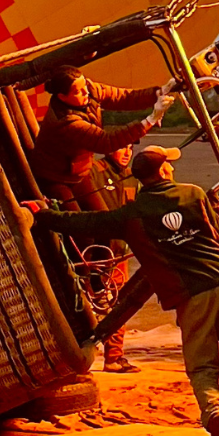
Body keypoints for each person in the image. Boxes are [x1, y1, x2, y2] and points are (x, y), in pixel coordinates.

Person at [29, 146, 219, 436]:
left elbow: (84, 222)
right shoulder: (194, 194)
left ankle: (214, 413)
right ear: (165, 171)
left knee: (202, 367)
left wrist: (41, 214)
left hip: (190, 295)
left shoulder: (132, 215)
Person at [30, 65, 173, 212]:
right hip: (55, 176)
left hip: (80, 172)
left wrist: (159, 92)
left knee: (101, 217)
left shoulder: (90, 90)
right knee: (76, 224)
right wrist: (150, 120)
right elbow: (105, 141)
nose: (86, 92)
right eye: (78, 92)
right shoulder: (65, 122)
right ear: (62, 97)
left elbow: (123, 97)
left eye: (84, 85)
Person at [86, 145, 138, 373]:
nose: (127, 153)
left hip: (119, 252)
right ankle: (82, 352)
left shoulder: (130, 176)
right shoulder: (93, 172)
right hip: (92, 252)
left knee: (118, 302)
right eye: (120, 148)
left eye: (130, 148)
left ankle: (114, 356)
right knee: (88, 302)